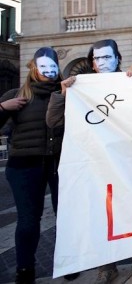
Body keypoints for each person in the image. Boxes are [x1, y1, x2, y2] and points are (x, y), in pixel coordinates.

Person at [46, 39, 132, 284]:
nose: (102, 62)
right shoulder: (78, 87)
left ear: (118, 59)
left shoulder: (130, 81)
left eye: (107, 57)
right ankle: (107, 265)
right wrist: (63, 94)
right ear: (92, 64)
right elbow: (53, 122)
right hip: (94, 162)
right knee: (99, 212)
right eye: (97, 58)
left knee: (131, 207)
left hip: (127, 159)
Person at [0, 47, 75, 284]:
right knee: (28, 220)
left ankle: (70, 262)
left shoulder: (69, 93)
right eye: (44, 66)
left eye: (53, 66)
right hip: (24, 165)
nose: (49, 71)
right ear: (34, 68)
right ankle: (25, 269)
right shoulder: (16, 95)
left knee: (66, 217)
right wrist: (3, 108)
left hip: (59, 163)